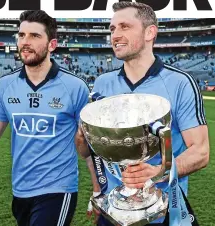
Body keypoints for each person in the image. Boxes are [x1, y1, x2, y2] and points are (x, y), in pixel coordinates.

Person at [0, 10, 90, 226]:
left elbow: (89, 143)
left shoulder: (75, 87)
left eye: (34, 36)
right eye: (22, 35)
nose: (25, 41)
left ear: (52, 44)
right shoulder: (6, 85)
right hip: (21, 191)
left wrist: (99, 188)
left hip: (58, 190)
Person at [77, 2, 210, 225]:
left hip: (165, 210)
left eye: (124, 27)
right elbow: (89, 151)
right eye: (112, 29)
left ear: (150, 32)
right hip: (115, 210)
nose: (115, 35)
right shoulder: (102, 84)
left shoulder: (179, 83)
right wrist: (83, 140)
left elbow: (201, 151)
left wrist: (159, 171)